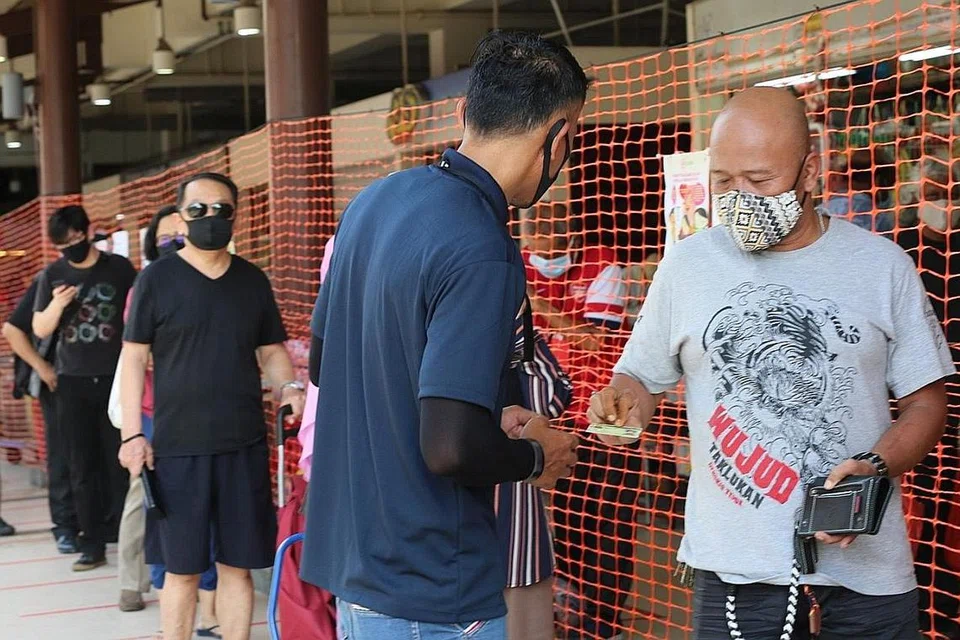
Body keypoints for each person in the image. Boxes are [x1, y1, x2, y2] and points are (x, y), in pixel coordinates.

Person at [589, 87, 954, 640]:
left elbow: (927, 402)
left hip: (867, 575)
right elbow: (640, 377)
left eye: (759, 181)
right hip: (735, 566)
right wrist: (623, 404)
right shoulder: (687, 268)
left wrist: (874, 466)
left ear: (810, 171)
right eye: (724, 182)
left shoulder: (881, 267)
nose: (741, 198)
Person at [302, 30, 583, 640]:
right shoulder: (482, 246)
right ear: (559, 139)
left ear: (462, 113)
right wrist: (536, 456)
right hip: (432, 584)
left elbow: (329, 364)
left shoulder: (372, 202)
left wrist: (485, 419)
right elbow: (450, 449)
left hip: (358, 566)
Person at [118, 172, 305, 640]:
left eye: (222, 209)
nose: (210, 218)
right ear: (181, 216)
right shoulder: (156, 280)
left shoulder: (251, 280)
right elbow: (134, 357)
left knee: (237, 567)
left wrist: (289, 388)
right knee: (181, 571)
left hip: (243, 445)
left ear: (235, 216)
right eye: (199, 210)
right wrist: (131, 435)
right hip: (177, 450)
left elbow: (271, 351)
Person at [32, 205, 137, 570]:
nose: (72, 247)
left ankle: (128, 540)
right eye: (64, 244)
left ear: (88, 232)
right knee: (81, 465)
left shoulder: (118, 268)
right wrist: (58, 305)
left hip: (116, 377)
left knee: (121, 460)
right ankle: (91, 543)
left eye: (76, 239)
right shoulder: (54, 274)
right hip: (73, 381)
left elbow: (138, 313)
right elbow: (40, 329)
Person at [3, 276, 81, 552]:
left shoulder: (112, 271)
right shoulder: (50, 279)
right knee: (60, 453)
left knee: (94, 453)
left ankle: (99, 521)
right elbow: (12, 329)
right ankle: (65, 526)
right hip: (57, 383)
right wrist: (42, 368)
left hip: (95, 382)